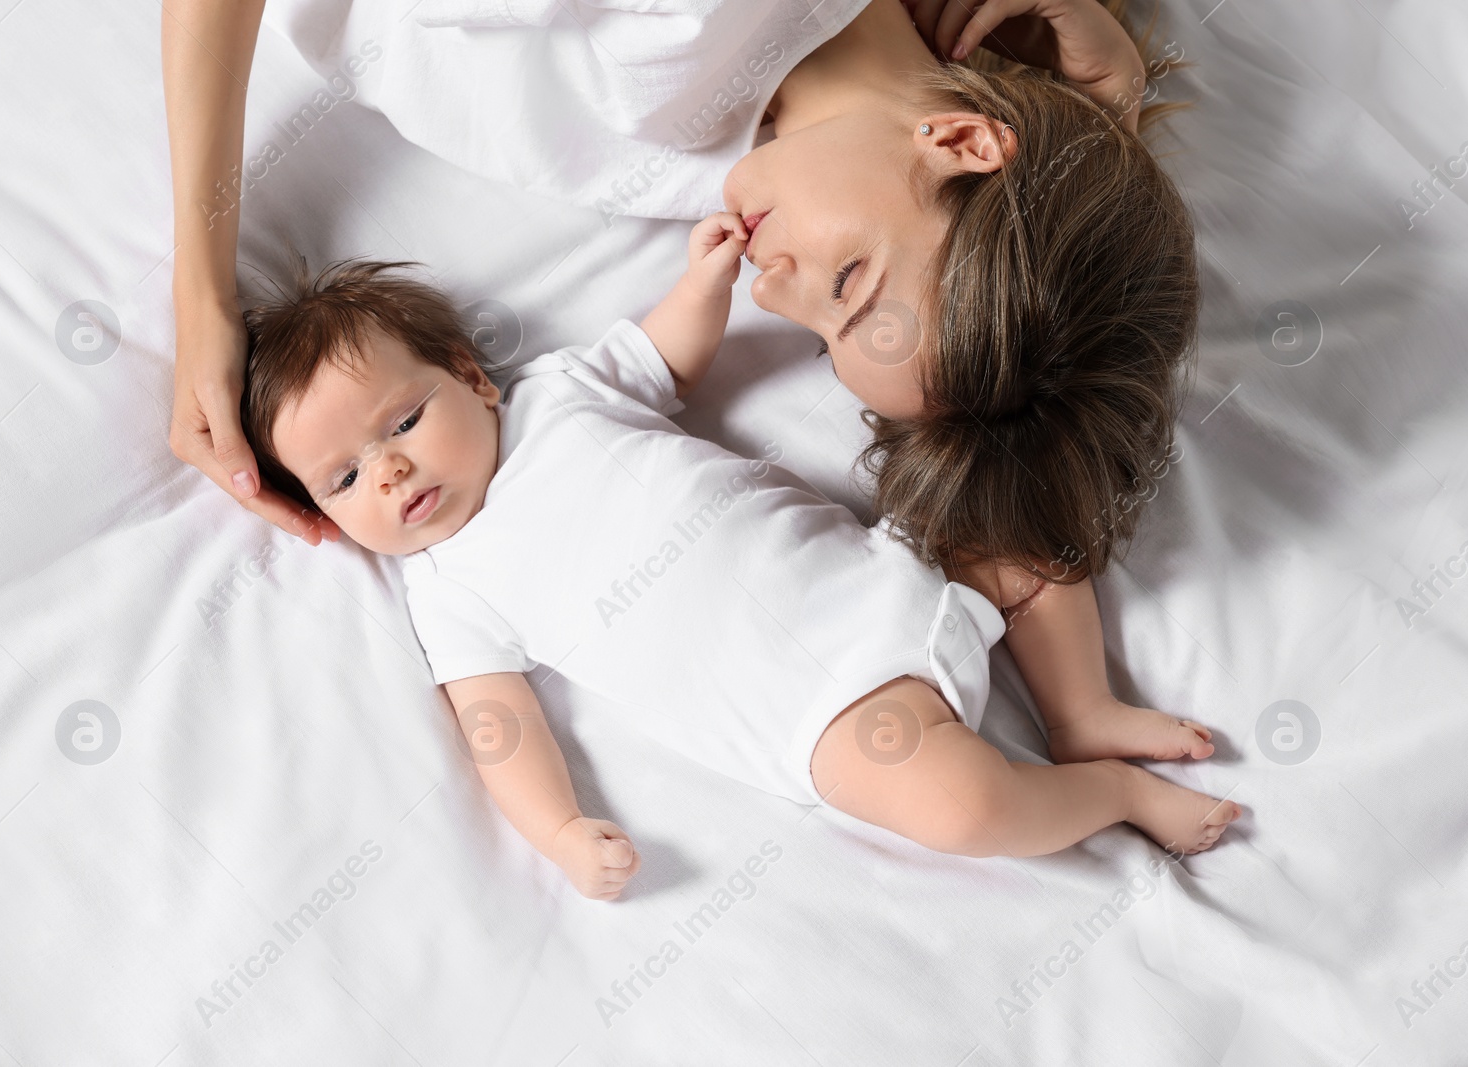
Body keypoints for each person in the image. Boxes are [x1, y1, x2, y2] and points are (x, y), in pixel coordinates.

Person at [162, 0, 1206, 771]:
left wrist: (1104, 100)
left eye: (819, 326)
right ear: (964, 141)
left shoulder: (768, 148)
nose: (773, 284)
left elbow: (992, 380)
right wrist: (202, 287)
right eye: (848, 282)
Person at [233, 222, 1237, 899]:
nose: (392, 467)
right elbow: (499, 724)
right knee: (962, 804)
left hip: (887, 565)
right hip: (833, 717)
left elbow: (666, 354)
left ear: (470, 377)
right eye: (342, 478)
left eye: (403, 419)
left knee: (1016, 509)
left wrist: (702, 281)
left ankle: (1080, 710)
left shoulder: (558, 394)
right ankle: (1112, 794)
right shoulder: (447, 587)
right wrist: (561, 830)